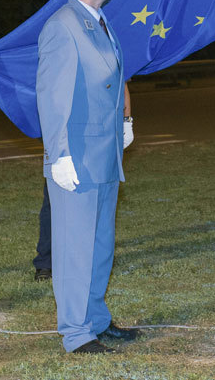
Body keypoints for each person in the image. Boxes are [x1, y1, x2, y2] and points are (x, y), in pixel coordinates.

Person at [36, 0, 138, 354]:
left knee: (99, 244)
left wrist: (126, 123)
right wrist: (57, 154)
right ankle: (76, 333)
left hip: (105, 150)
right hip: (76, 154)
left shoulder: (97, 20)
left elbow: (112, 80)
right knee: (75, 247)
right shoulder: (62, 26)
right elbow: (52, 95)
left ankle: (95, 319)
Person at [33, 84, 133, 282]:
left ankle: (90, 259)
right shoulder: (61, 54)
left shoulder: (106, 52)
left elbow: (121, 81)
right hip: (66, 133)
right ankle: (46, 262)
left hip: (98, 134)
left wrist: (127, 121)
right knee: (54, 202)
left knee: (97, 199)